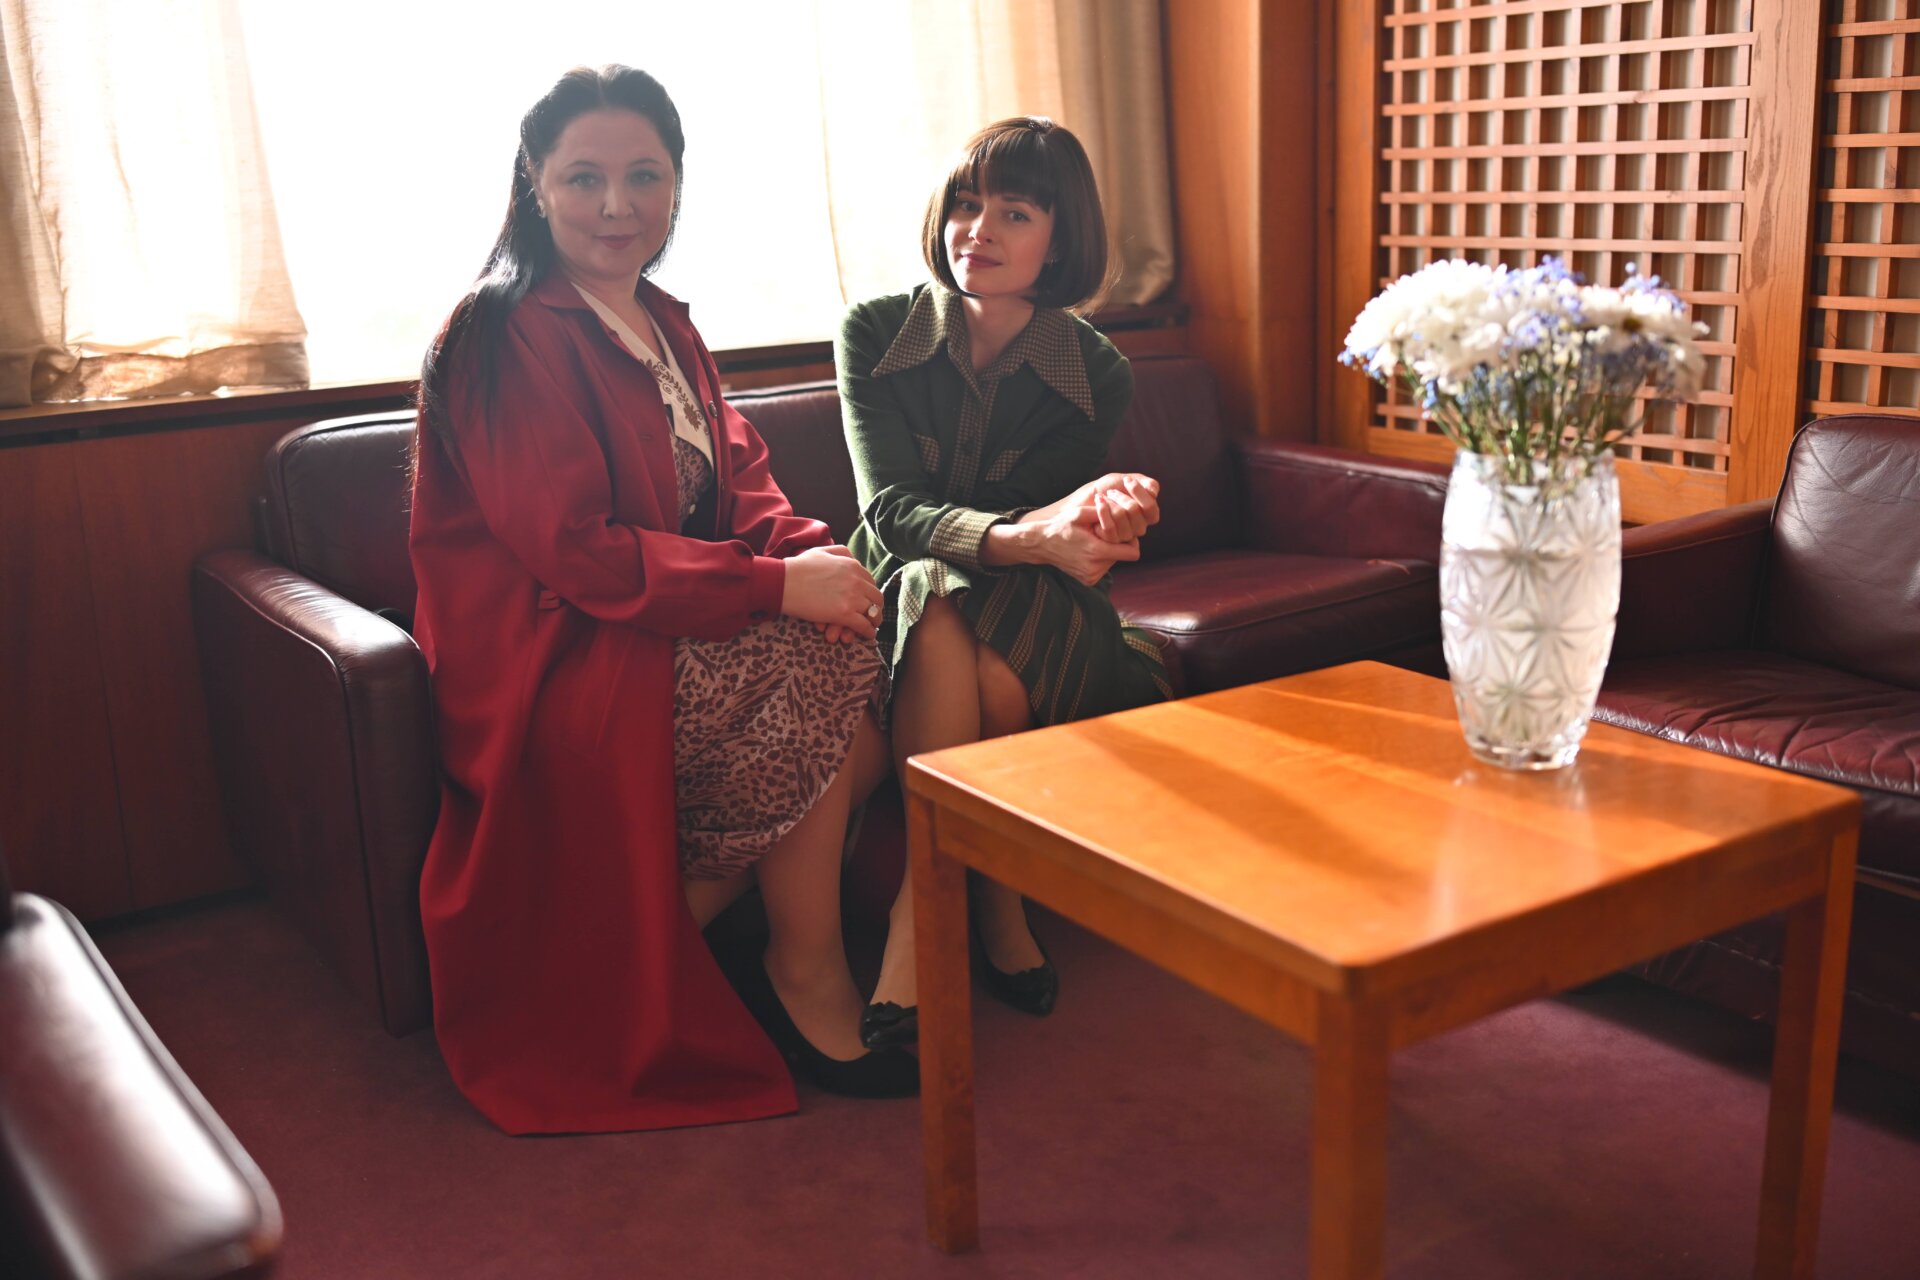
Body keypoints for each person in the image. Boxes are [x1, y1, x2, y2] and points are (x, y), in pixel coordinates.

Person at [409, 65, 916, 1136]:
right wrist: (775, 588)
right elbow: (576, 552)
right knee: (825, 669)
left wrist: (813, 563)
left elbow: (744, 484)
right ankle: (807, 970)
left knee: (864, 661)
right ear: (534, 184)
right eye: (583, 177)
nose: (617, 204)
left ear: (677, 183)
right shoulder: (503, 331)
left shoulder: (661, 321)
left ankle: (673, 939)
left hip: (654, 621)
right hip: (557, 651)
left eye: (644, 175)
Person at [835, 117, 1172, 1049]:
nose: (976, 230)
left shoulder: (1096, 372)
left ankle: (929, 909)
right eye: (966, 204)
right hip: (906, 577)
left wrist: (1102, 510)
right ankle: (982, 901)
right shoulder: (874, 332)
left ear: (1058, 242)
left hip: (1031, 593)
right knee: (934, 597)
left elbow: (1052, 514)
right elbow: (890, 510)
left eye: (1014, 213)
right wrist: (1035, 535)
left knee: (987, 665)